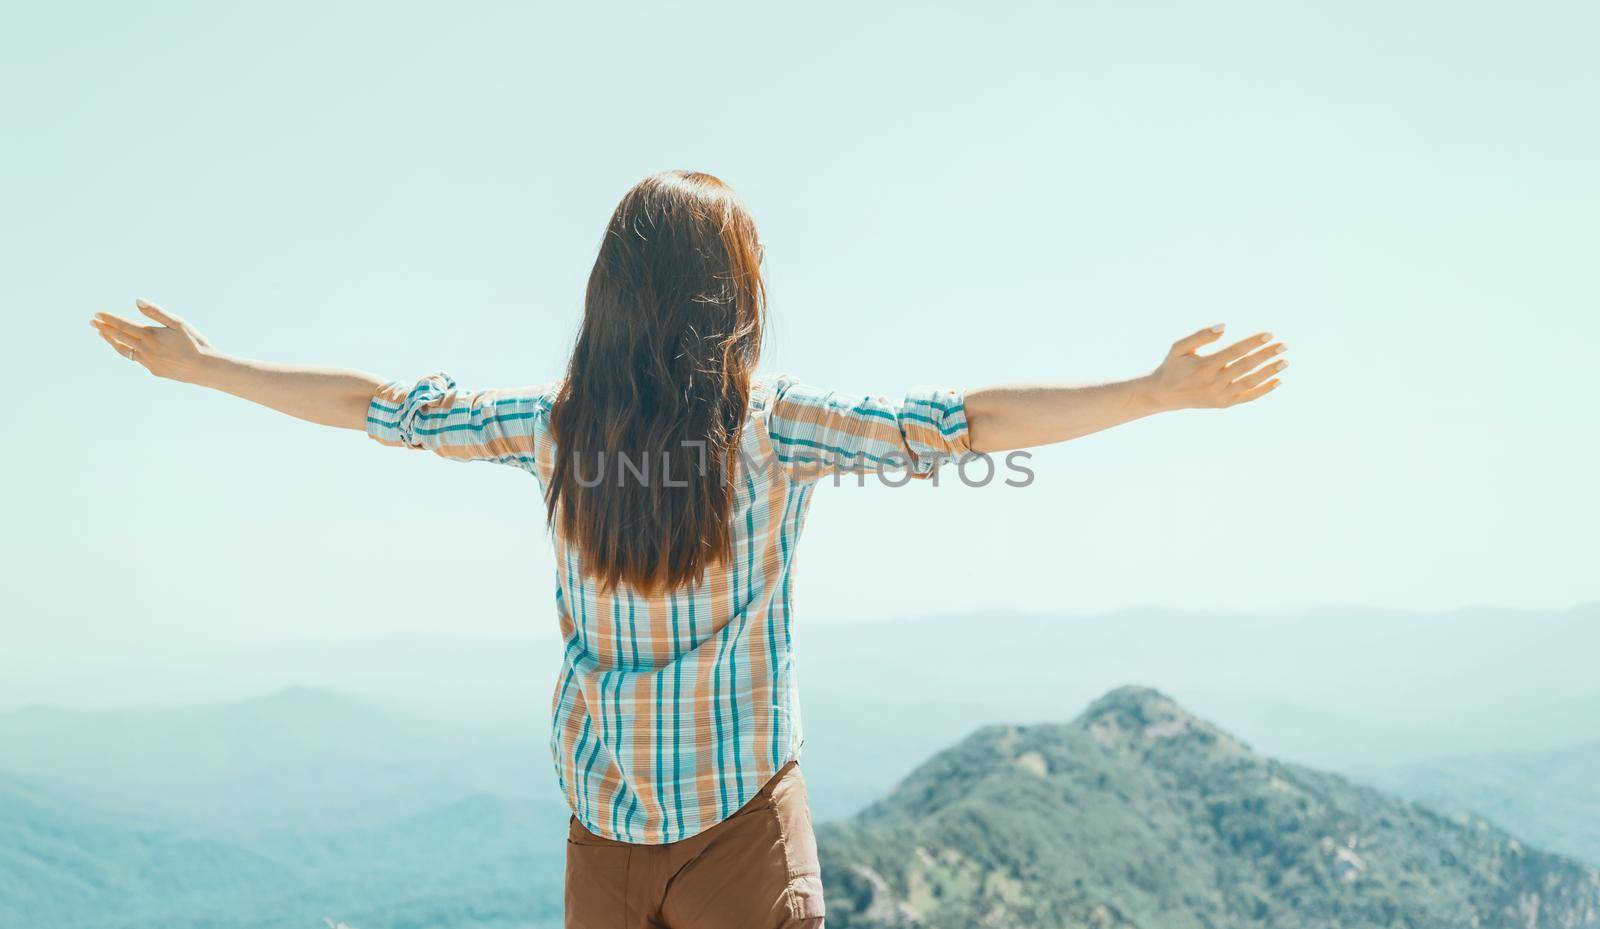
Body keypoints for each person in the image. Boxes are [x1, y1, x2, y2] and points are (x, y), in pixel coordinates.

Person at [88, 169, 1288, 929]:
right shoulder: (773, 431)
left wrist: (207, 367)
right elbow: (967, 422)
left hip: (600, 837)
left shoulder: (551, 428)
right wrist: (1149, 392)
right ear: (731, 300)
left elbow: (381, 405)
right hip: (733, 838)